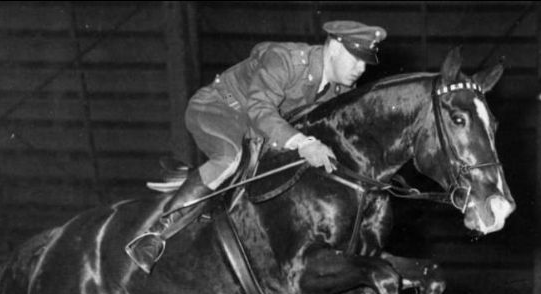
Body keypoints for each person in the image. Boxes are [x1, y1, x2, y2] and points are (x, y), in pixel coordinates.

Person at [126, 20, 387, 273]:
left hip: (257, 131)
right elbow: (260, 111)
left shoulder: (340, 90)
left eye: (366, 61)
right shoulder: (285, 59)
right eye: (356, 58)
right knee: (231, 157)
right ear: (335, 49)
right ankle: (154, 236)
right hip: (218, 108)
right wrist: (303, 142)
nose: (361, 68)